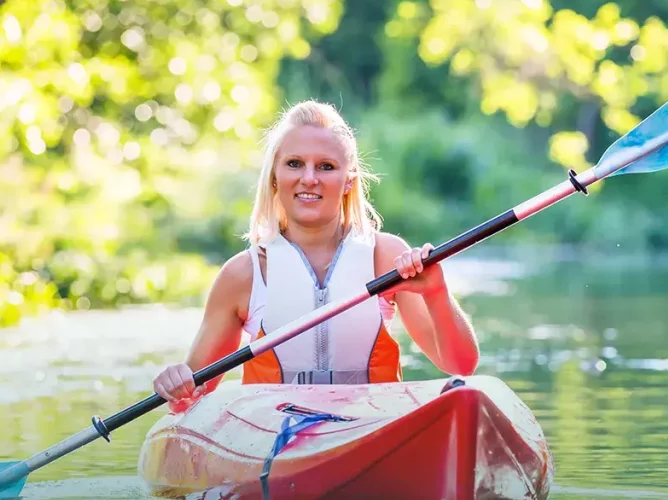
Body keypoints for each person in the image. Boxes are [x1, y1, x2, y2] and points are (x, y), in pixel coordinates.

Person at [152, 100, 479, 409]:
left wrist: (437, 292)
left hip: (370, 423)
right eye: (295, 164)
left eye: (326, 166)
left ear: (348, 181)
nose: (309, 178)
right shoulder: (243, 275)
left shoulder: (386, 257)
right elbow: (191, 398)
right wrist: (177, 384)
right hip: (274, 437)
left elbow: (460, 365)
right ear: (276, 177)